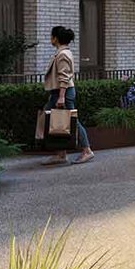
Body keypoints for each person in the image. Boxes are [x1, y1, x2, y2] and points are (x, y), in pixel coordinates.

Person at [41, 26, 93, 166]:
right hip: (58, 92)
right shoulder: (62, 52)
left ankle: (86, 150)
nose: (50, 39)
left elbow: (64, 77)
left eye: (51, 36)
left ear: (56, 38)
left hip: (62, 92)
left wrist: (61, 96)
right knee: (57, 121)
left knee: (71, 121)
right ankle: (61, 153)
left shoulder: (63, 54)